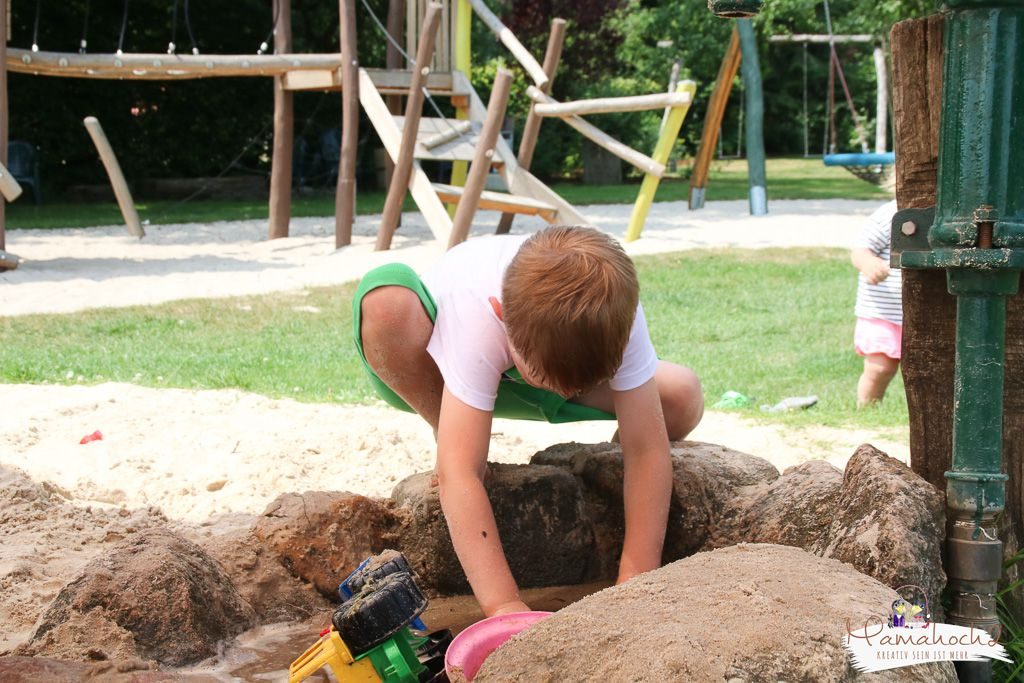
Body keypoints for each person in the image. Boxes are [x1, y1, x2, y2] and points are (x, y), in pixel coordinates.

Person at [353, 226, 703, 617]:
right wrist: (504, 605)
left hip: (540, 364)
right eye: (549, 380)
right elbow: (459, 477)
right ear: (502, 315)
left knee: (682, 395)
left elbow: (648, 451)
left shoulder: (616, 310)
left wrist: (635, 578)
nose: (559, 390)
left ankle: (556, 407)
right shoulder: (478, 314)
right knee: (385, 297)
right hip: (443, 370)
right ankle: (454, 428)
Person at [851, 199, 901, 407]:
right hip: (884, 312)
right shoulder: (890, 213)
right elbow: (860, 250)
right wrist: (869, 264)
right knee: (879, 368)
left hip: (927, 314)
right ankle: (867, 408)